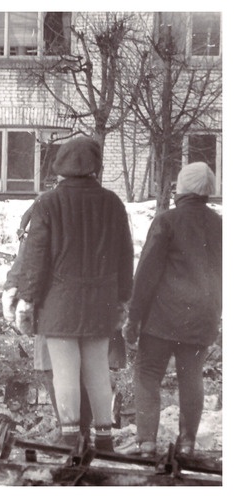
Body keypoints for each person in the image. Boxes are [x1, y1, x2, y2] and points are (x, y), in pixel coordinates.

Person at [15, 136, 133, 451]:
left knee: (65, 371)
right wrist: (123, 298)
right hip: (102, 302)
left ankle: (71, 439)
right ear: (96, 165)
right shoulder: (113, 202)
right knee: (96, 368)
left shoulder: (48, 203)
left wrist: (27, 298)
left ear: (61, 165)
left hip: (59, 303)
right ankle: (104, 438)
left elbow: (36, 257)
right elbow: (125, 254)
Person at [122, 161, 222, 458]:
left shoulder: (168, 220)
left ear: (182, 187)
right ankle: (188, 442)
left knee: (148, 374)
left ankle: (146, 442)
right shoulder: (221, 225)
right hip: (203, 316)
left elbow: (147, 273)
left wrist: (134, 318)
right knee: (191, 376)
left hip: (162, 319)